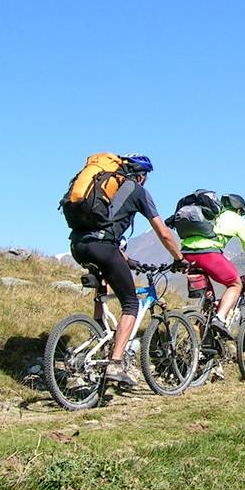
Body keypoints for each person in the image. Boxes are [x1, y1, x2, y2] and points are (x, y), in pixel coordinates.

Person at [68, 154, 185, 387]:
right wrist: (179, 258)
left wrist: (126, 259)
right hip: (103, 247)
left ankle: (99, 335)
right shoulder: (137, 190)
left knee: (103, 289)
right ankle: (115, 363)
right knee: (130, 304)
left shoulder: (106, 189)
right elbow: (163, 232)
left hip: (78, 244)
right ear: (142, 176)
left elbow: (107, 227)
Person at [176, 193, 245, 336]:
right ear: (239, 210)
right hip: (208, 254)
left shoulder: (212, 213)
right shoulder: (236, 219)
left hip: (186, 254)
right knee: (235, 284)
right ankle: (219, 319)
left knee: (208, 300)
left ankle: (200, 345)